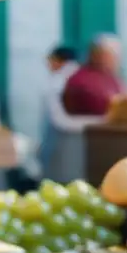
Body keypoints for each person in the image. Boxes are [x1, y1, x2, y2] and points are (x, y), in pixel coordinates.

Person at [38, 45, 97, 179]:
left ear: (57, 60)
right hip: (88, 138)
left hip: (63, 139)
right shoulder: (87, 77)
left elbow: (59, 119)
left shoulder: (59, 80)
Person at [62, 34, 126, 117]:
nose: (115, 61)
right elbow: (102, 106)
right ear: (95, 55)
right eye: (111, 56)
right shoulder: (80, 80)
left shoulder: (111, 78)